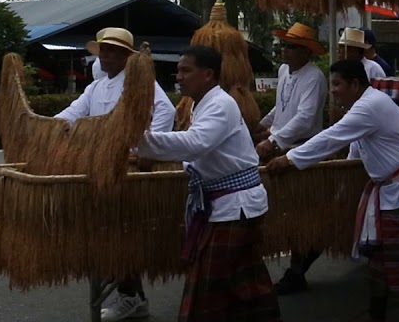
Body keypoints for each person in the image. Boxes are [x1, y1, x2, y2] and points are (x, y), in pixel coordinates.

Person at [268, 60, 399, 322]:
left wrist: (289, 159)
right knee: (382, 257)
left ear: (355, 84)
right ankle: (381, 312)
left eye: (338, 84)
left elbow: (332, 136)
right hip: (391, 191)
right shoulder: (364, 105)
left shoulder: (369, 106)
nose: (334, 91)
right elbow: (356, 147)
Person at [137, 45, 280, 322]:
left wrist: (139, 141)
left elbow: (195, 143)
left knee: (207, 283)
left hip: (234, 207)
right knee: (245, 280)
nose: (178, 77)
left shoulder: (220, 104)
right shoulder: (203, 104)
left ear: (208, 74)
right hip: (231, 205)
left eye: (185, 70)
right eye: (178, 70)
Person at [56, 28, 177, 321]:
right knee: (107, 238)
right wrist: (44, 128)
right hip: (99, 170)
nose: (105, 55)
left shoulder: (139, 82)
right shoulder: (95, 88)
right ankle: (132, 297)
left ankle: (131, 298)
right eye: (103, 50)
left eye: (111, 50)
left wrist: (147, 147)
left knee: (121, 237)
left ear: (126, 55)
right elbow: (71, 114)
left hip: (127, 170)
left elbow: (166, 111)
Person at [257, 23, 329, 295]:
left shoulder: (314, 77)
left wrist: (272, 139)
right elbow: (282, 106)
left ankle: (297, 270)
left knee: (303, 213)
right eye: (284, 46)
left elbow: (305, 118)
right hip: (281, 147)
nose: (284, 52)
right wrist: (263, 125)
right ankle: (296, 269)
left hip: (301, 150)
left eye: (290, 47)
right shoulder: (284, 71)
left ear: (306, 52)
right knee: (286, 212)